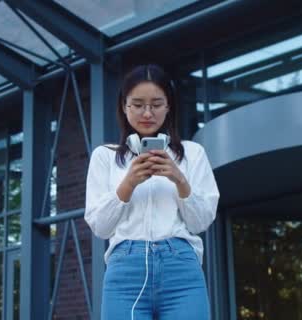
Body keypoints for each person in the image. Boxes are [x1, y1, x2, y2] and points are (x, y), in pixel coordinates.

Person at [84, 64, 220, 320]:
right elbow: (100, 227)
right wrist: (128, 184)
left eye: (157, 104)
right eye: (137, 104)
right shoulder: (105, 156)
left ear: (169, 107)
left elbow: (200, 222)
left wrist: (179, 179)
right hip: (125, 269)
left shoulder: (192, 153)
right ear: (124, 106)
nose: (147, 113)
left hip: (181, 267)